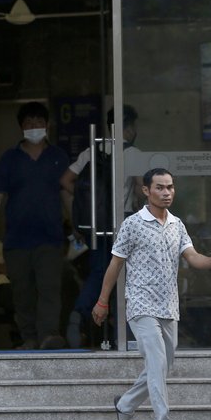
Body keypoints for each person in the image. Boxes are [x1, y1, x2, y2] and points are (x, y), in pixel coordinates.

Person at [92, 168, 211, 420]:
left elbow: (192, 256)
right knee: (155, 362)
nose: (166, 193)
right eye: (160, 188)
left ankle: (125, 405)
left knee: (163, 365)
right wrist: (102, 301)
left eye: (170, 187)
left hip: (169, 306)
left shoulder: (177, 224)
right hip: (140, 304)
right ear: (146, 190)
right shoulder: (133, 224)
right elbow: (115, 264)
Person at [61, 104, 143, 348]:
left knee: (99, 272)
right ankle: (124, 334)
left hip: (98, 223)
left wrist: (88, 205)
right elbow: (140, 188)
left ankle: (79, 315)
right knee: (126, 277)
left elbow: (65, 180)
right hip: (124, 220)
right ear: (128, 126)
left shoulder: (92, 150)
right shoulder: (133, 153)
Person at [0, 102, 70, 350]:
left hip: (50, 236)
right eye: (29, 123)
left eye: (39, 122)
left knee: (49, 289)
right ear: (21, 127)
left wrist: (78, 224)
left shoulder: (58, 157)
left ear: (47, 125)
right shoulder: (10, 158)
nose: (34, 127)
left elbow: (67, 193)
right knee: (22, 293)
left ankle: (48, 335)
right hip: (16, 239)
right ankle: (29, 338)